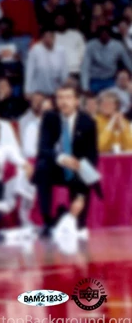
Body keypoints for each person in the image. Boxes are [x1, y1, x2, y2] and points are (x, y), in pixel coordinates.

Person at [34, 81, 100, 239]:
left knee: (78, 226)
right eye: (60, 97)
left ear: (77, 100)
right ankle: (47, 220)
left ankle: (77, 219)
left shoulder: (87, 122)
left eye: (68, 97)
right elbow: (43, 148)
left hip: (78, 167)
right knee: (42, 166)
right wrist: (61, 158)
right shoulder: (49, 117)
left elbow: (91, 157)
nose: (64, 102)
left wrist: (82, 195)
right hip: (56, 166)